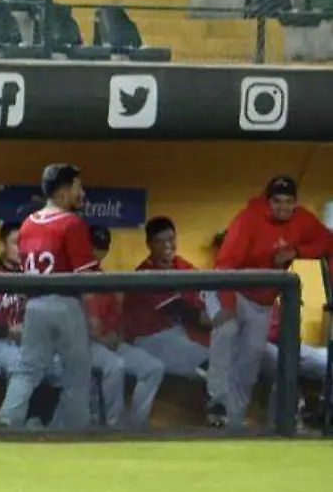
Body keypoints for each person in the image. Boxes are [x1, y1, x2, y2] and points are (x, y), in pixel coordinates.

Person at [205, 175, 333, 428]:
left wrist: (297, 252)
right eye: (277, 201)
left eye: (289, 202)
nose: (283, 207)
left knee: (250, 362)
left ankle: (234, 423)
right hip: (229, 288)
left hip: (261, 301)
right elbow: (224, 265)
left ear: (295, 202)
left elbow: (327, 240)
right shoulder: (248, 219)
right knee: (227, 330)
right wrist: (228, 305)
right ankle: (216, 400)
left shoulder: (302, 219)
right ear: (268, 201)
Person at [0, 164, 96, 430]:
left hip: (35, 305)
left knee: (27, 368)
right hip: (65, 304)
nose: (81, 192)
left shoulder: (29, 223)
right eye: (77, 186)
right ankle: (74, 428)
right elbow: (86, 276)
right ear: (64, 190)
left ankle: (8, 418)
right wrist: (94, 314)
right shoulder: (72, 223)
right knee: (77, 372)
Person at [0, 219, 59, 427]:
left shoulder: (33, 276)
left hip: (24, 343)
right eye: (17, 243)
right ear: (2, 245)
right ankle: (7, 422)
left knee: (58, 367)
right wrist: (8, 330)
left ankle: (38, 421)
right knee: (22, 364)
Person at [85, 225, 166, 429]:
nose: (97, 253)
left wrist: (116, 333)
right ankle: (116, 427)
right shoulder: (69, 276)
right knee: (115, 365)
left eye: (102, 248)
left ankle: (137, 425)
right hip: (83, 345)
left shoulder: (105, 279)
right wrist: (99, 338)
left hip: (109, 343)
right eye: (93, 247)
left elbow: (118, 315)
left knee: (153, 368)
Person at [122, 217, 212, 384]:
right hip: (148, 338)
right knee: (208, 363)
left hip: (175, 332)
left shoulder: (180, 264)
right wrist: (216, 320)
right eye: (159, 242)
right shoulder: (145, 273)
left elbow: (205, 288)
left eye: (170, 239)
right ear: (149, 245)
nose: (167, 246)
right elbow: (180, 309)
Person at [259, 305, 328, 428]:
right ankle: (278, 426)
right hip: (257, 344)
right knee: (282, 363)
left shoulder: (277, 296)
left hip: (288, 343)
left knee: (327, 358)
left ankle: (325, 414)